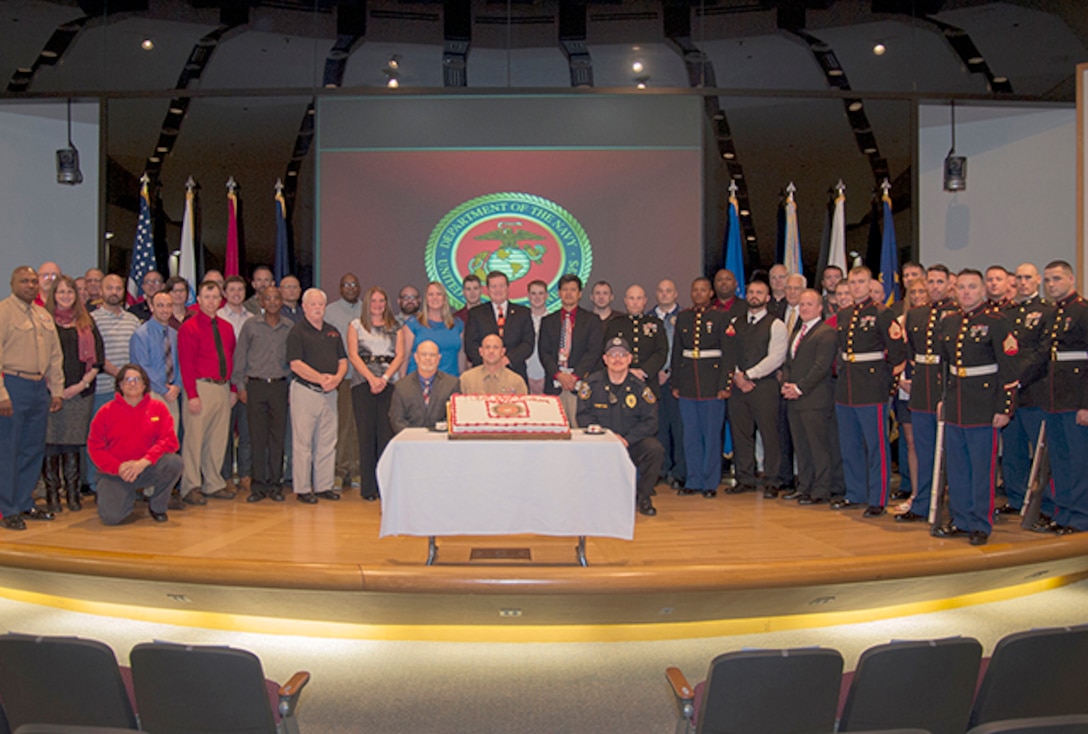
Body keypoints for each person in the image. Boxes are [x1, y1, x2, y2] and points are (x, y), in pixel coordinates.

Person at [933, 269, 1019, 546]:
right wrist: (943, 400)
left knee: (982, 467)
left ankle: (981, 523)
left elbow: (1009, 369)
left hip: (984, 404)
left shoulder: (997, 321)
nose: (966, 292)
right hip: (957, 401)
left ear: (983, 290)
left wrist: (1004, 408)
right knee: (957, 466)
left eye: (972, 287)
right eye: (961, 287)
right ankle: (960, 519)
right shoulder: (950, 322)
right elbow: (945, 367)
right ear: (955, 291)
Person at [832, 266, 908, 516]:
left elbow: (897, 354)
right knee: (850, 444)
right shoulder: (844, 315)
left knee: (876, 446)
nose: (856, 287)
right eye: (852, 282)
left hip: (871, 387)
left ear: (870, 284)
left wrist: (887, 385)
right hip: (847, 387)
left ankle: (878, 498)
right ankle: (855, 493)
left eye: (861, 281)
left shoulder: (882, 314)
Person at [0, 266, 64, 530]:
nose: (29, 285)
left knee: (33, 448)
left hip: (39, 388)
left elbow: (55, 355)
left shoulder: (42, 315)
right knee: (8, 449)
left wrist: (57, 390)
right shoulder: (3, 312)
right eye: (23, 281)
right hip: (13, 385)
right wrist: (1, 394)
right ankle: (7, 508)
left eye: (32, 281)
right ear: (13, 283)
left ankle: (25, 501)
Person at [895, 264, 957, 523]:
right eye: (930, 282)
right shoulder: (917, 315)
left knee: (952, 452)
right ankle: (922, 503)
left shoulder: (957, 315)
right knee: (923, 449)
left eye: (939, 282)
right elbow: (910, 354)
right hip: (921, 389)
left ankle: (956, 507)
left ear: (948, 285)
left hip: (947, 389)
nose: (934, 287)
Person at [578, 337, 664, 516]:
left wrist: (627, 439)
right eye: (612, 355)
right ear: (605, 359)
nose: (617, 359)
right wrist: (608, 437)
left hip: (630, 442)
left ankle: (642, 497)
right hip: (602, 443)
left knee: (654, 450)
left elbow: (651, 421)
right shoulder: (591, 385)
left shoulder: (641, 388)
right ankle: (595, 498)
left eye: (622, 355)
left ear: (630, 359)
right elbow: (583, 416)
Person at [86, 364, 182, 525]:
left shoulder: (158, 409)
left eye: (137, 379)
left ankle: (157, 506)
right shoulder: (105, 412)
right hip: (116, 472)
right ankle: (126, 498)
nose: (132, 383)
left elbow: (169, 441)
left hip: (145, 468)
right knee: (111, 518)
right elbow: (95, 448)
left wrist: (144, 462)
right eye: (127, 380)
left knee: (174, 462)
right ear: (120, 385)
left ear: (145, 385)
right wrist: (119, 467)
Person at [1032, 260, 1088, 534]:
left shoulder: (1082, 311)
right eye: (1048, 280)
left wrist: (1086, 404)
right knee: (1061, 460)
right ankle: (1063, 513)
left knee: (1079, 461)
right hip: (1054, 397)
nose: (1051, 285)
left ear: (1071, 279)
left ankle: (1081, 516)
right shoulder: (1053, 313)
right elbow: (1045, 356)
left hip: (1076, 398)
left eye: (1056, 279)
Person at [42, 275, 103, 513]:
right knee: (50, 445)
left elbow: (97, 358)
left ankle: (73, 494)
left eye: (70, 292)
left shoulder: (87, 322)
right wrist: (55, 389)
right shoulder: (44, 322)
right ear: (53, 296)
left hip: (80, 393)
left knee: (72, 445)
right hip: (50, 392)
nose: (66, 296)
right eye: (61, 292)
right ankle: (52, 496)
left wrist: (80, 385)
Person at [998, 262, 1053, 514]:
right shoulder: (1007, 313)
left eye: (1028, 277)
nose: (1022, 282)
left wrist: (1018, 378)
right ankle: (1016, 499)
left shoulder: (1047, 311)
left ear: (1038, 280)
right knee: (1012, 451)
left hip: (1034, 390)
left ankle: (1047, 504)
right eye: (1018, 277)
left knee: (1042, 452)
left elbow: (1043, 352)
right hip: (1010, 395)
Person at [672, 277, 733, 498]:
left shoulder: (721, 317)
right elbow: (677, 352)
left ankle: (710, 483)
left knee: (711, 436)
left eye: (703, 290)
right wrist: (676, 383)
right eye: (695, 290)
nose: (698, 294)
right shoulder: (684, 317)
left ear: (710, 293)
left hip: (712, 385)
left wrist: (725, 385)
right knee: (690, 436)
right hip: (688, 385)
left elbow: (728, 355)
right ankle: (693, 480)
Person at [177, 280, 236, 505]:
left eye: (215, 297)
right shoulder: (189, 327)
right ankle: (191, 485)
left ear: (220, 300)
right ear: (198, 300)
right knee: (194, 439)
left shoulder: (227, 327)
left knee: (218, 439)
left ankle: (213, 482)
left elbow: (230, 358)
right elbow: (186, 363)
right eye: (206, 297)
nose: (211, 302)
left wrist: (231, 388)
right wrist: (191, 394)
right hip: (200, 387)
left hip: (222, 388)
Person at [288, 288, 347, 504]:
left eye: (320, 304)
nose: (317, 308)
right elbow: (295, 363)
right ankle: (303, 489)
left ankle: (323, 486)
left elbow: (343, 360)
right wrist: (321, 378)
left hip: (330, 393)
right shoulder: (297, 331)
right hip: (305, 391)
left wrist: (337, 379)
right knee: (303, 443)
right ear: (304, 307)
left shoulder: (333, 331)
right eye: (313, 304)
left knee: (327, 441)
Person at [233, 286, 292, 503]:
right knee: (256, 438)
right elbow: (240, 357)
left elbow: (293, 361)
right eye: (268, 298)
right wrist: (240, 386)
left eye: (277, 298)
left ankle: (275, 485)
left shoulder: (289, 327)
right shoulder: (250, 326)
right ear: (262, 302)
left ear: (281, 301)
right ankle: (258, 486)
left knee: (277, 439)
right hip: (255, 387)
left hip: (279, 386)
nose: (273, 302)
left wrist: (291, 388)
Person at [729, 279, 787, 497]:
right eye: (751, 292)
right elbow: (729, 351)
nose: (754, 295)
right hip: (738, 386)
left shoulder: (776, 324)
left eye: (759, 292)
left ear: (767, 297)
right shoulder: (736, 322)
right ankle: (745, 478)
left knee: (770, 434)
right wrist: (737, 375)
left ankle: (773, 479)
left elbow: (776, 357)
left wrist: (749, 375)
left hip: (764, 386)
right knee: (741, 433)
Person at [347, 286, 406, 502]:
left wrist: (384, 378)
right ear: (367, 303)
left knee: (385, 435)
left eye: (381, 301)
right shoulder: (355, 325)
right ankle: (368, 488)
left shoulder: (396, 326)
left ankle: (384, 486)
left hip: (389, 383)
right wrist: (371, 379)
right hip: (363, 384)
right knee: (366, 435)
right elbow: (353, 356)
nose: (378, 305)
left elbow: (400, 356)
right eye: (374, 301)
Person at [781, 289, 838, 504]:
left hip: (814, 399)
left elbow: (821, 367)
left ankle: (821, 490)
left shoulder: (826, 333)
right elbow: (789, 362)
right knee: (801, 446)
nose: (804, 308)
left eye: (809, 304)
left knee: (818, 447)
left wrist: (799, 388)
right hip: (794, 399)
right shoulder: (797, 333)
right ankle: (804, 486)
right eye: (802, 305)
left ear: (820, 308)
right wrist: (787, 384)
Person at [88, 274, 142, 493]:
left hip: (129, 394)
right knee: (101, 440)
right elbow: (95, 354)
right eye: (109, 288)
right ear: (101, 291)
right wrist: (120, 375)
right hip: (103, 389)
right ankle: (97, 484)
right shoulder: (92, 319)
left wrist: (130, 382)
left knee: (126, 441)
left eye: (118, 288)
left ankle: (127, 484)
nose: (114, 292)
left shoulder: (133, 320)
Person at [538, 274, 603, 427]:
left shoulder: (592, 320)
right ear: (559, 293)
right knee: (554, 431)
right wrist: (559, 375)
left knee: (579, 431)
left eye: (573, 290)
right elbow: (544, 352)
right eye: (565, 289)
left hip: (579, 385)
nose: (568, 293)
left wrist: (575, 376)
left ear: (580, 294)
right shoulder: (547, 321)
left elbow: (593, 351)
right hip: (555, 384)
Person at [892, 277, 931, 504]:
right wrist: (899, 379)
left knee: (930, 442)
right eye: (912, 292)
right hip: (905, 390)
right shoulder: (899, 321)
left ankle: (933, 492)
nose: (917, 296)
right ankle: (916, 493)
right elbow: (895, 355)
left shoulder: (938, 320)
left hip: (928, 389)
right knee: (911, 441)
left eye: (921, 292)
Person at [325, 273, 363, 491]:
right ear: (340, 288)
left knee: (358, 427)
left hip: (362, 380)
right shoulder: (329, 312)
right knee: (341, 427)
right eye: (346, 284)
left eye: (354, 284)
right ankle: (339, 471)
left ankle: (356, 469)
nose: (350, 287)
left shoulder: (366, 310)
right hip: (339, 380)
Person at [464, 271, 535, 384]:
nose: (498, 290)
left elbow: (528, 343)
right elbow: (470, 345)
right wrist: (490, 362)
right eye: (494, 286)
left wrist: (506, 360)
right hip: (483, 375)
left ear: (508, 287)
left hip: (515, 374)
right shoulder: (476, 313)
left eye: (502, 286)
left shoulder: (523, 313)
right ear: (487, 289)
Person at [217, 275, 253, 494]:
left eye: (240, 289)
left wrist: (243, 385)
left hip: (248, 384)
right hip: (224, 385)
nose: (236, 293)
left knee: (248, 433)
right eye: (232, 290)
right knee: (225, 433)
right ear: (224, 292)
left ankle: (246, 474)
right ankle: (226, 476)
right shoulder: (219, 318)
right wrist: (232, 387)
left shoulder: (252, 318)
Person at [128, 291, 181, 435]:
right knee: (151, 440)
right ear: (151, 307)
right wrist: (164, 390)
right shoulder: (141, 335)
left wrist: (177, 386)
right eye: (160, 306)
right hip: (151, 394)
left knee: (170, 439)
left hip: (171, 394)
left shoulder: (174, 334)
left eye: (169, 306)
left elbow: (179, 363)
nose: (165, 310)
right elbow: (143, 367)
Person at [602, 284, 667, 397]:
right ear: (625, 301)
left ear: (645, 301)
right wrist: (625, 372)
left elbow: (661, 352)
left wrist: (643, 371)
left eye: (639, 298)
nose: (635, 302)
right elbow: (607, 352)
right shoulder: (615, 324)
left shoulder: (656, 324)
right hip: (620, 382)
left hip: (647, 382)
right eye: (631, 298)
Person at [652, 278, 686, 489]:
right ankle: (661, 469)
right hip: (654, 381)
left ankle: (680, 471)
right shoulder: (648, 318)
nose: (664, 294)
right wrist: (656, 372)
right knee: (658, 427)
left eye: (669, 291)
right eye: (661, 291)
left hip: (678, 380)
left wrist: (670, 371)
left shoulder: (685, 317)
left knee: (679, 427)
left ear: (675, 294)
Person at [389, 340, 460, 433]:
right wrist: (414, 437)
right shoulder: (401, 386)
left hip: (441, 441)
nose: (428, 358)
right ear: (416, 357)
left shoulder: (452, 384)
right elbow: (397, 419)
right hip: (410, 441)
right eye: (423, 354)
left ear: (439, 358)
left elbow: (454, 418)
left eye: (432, 355)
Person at [402, 281, 464, 377]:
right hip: (419, 383)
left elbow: (461, 355)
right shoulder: (413, 324)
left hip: (450, 383)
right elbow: (404, 358)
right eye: (431, 294)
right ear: (426, 299)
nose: (435, 298)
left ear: (444, 298)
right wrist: (402, 385)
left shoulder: (457, 324)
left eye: (439, 294)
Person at [460, 334, 528, 395]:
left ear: (502, 351)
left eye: (496, 347)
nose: (491, 351)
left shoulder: (516, 382)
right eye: (487, 347)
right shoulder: (466, 380)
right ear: (481, 351)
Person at [525, 279, 549, 394]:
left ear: (547, 296)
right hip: (525, 376)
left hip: (547, 377)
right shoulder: (520, 320)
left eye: (541, 293)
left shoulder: (554, 321)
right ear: (528, 296)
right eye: (533, 293)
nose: (537, 297)